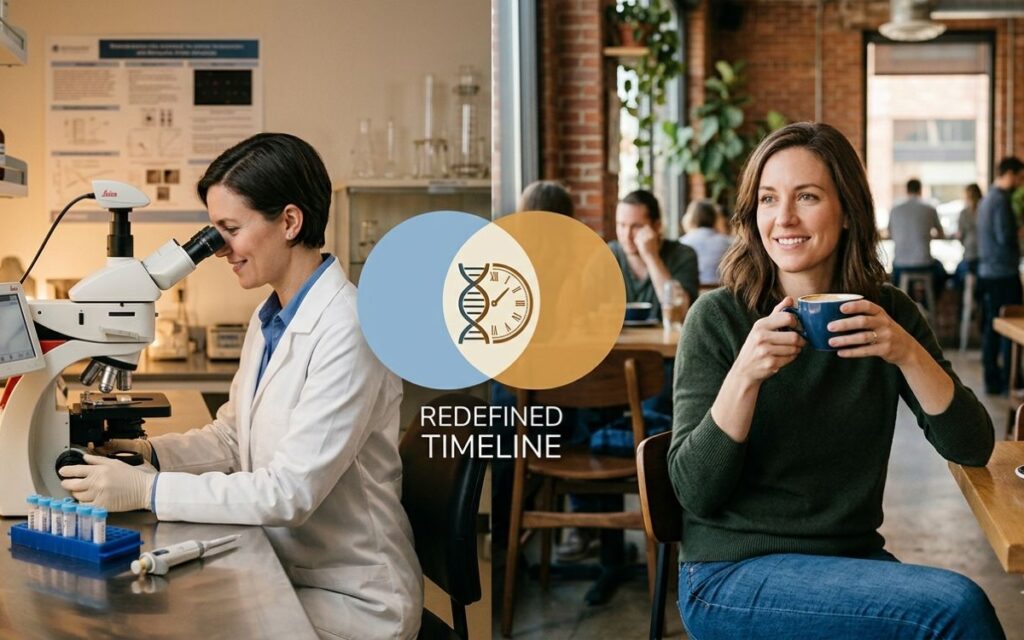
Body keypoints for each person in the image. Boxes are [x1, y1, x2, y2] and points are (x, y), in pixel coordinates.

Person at [60, 133, 422, 640]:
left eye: (230, 229)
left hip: (352, 596)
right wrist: (147, 453)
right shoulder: (270, 314)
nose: (218, 250)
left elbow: (290, 493)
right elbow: (233, 438)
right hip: (287, 569)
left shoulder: (351, 327)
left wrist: (148, 488)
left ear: (290, 222)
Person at [669, 122, 1002, 639]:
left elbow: (973, 446)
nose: (784, 219)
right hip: (729, 574)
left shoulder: (889, 314)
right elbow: (694, 493)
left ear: (847, 211)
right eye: (768, 199)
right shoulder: (718, 319)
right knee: (954, 608)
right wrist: (745, 375)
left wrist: (908, 353)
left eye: (807, 197)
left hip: (850, 562)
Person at [608, 189, 699, 319]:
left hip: (670, 339)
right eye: (621, 225)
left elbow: (680, 312)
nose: (627, 235)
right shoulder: (608, 254)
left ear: (657, 226)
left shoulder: (683, 255)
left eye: (636, 226)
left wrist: (651, 257)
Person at [977, 156, 1024, 395]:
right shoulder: (1001, 202)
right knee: (1007, 327)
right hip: (1002, 272)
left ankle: (994, 380)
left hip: (988, 272)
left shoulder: (987, 199)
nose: (1020, 182)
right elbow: (1005, 237)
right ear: (1011, 174)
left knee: (992, 326)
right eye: (1020, 176)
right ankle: (1008, 381)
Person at [888, 178, 946, 301]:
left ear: (906, 190)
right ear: (920, 190)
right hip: (924, 263)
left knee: (895, 281)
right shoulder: (929, 208)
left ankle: (905, 305)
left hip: (901, 264)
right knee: (941, 272)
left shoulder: (895, 209)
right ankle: (927, 305)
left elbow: (890, 234)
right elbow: (941, 233)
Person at [679, 199, 733, 285]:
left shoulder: (682, 243)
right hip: (719, 293)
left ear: (692, 218)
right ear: (715, 218)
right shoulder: (728, 243)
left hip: (693, 294)